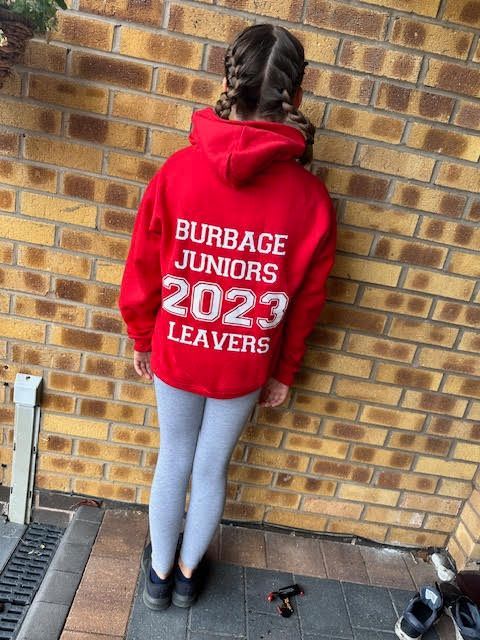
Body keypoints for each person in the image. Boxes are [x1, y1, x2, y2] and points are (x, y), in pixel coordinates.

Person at [117, 22, 337, 611]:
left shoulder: (177, 171)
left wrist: (142, 335)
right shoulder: (311, 199)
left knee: (174, 459)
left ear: (227, 82)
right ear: (296, 93)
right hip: (246, 361)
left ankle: (159, 575)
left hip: (178, 346)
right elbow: (308, 301)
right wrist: (285, 371)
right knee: (211, 468)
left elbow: (142, 266)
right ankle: (189, 575)